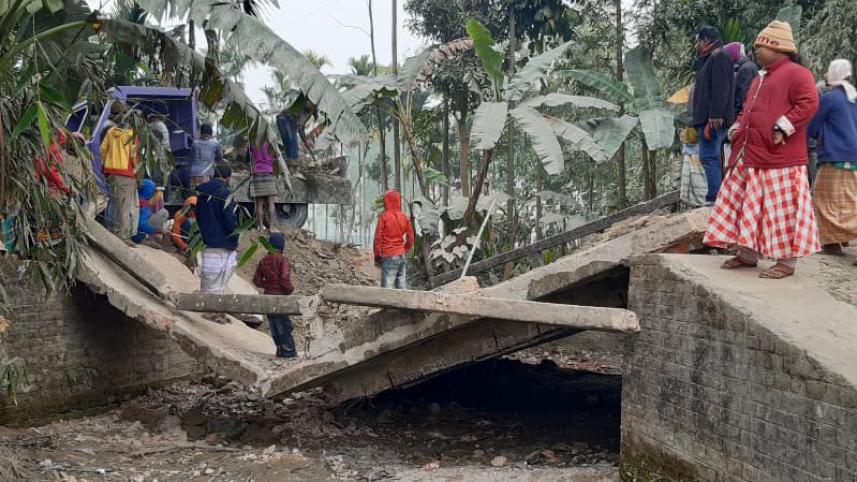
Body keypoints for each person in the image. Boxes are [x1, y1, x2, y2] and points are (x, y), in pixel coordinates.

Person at [704, 20, 820, 279]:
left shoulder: (798, 74)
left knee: (783, 210)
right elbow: (748, 108)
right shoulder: (760, 77)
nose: (756, 51)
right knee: (747, 205)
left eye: (760, 46)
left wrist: (783, 127)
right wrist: (737, 128)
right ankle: (747, 254)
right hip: (749, 154)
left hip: (780, 157)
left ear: (777, 47)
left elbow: (809, 102)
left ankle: (787, 263)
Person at [807, 59, 857, 255]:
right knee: (848, 201)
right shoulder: (854, 97)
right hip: (853, 158)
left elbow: (812, 127)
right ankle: (834, 242)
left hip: (833, 156)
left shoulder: (829, 98)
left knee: (823, 199)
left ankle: (832, 242)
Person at [690, 26, 735, 203]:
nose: (696, 45)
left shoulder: (719, 56)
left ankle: (715, 197)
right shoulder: (711, 58)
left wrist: (715, 114)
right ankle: (717, 195)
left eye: (698, 41)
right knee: (711, 156)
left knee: (709, 156)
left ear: (706, 40)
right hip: (707, 118)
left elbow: (720, 87)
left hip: (713, 120)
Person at [195, 164, 239, 322]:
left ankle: (217, 311)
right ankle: (212, 312)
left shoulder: (201, 195)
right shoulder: (225, 194)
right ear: (228, 178)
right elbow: (230, 220)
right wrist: (235, 233)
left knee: (211, 281)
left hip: (209, 242)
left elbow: (198, 216)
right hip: (225, 242)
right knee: (219, 281)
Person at [252, 232, 297, 359]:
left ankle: (280, 350)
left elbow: (256, 280)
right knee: (284, 325)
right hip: (280, 298)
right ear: (282, 246)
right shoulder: (282, 260)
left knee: (274, 325)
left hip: (268, 297)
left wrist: (267, 285)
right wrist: (289, 290)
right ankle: (289, 351)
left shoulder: (263, 260)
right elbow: (284, 278)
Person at [101, 123, 140, 244]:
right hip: (125, 173)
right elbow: (133, 156)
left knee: (113, 202)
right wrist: (138, 173)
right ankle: (122, 236)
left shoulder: (111, 132)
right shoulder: (132, 134)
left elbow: (102, 150)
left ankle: (112, 230)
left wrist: (106, 165)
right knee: (125, 205)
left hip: (110, 172)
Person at [373, 190, 415, 289]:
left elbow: (378, 238)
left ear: (386, 201)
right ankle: (402, 304)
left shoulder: (384, 217)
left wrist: (377, 255)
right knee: (401, 287)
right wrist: (405, 249)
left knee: (388, 289)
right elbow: (411, 237)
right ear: (398, 201)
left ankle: (388, 305)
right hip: (401, 255)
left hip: (389, 255)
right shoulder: (404, 217)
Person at [723, 42, 759, 117]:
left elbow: (744, 93)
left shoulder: (745, 68)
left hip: (741, 114)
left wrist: (736, 113)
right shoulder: (747, 66)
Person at [132, 179, 169, 246]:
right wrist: (157, 230)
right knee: (164, 212)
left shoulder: (134, 198)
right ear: (149, 191)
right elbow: (141, 224)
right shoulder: (144, 204)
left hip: (130, 232)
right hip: (136, 235)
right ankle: (145, 239)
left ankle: (146, 238)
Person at [250, 142, 278, 229]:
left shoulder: (254, 144)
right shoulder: (271, 144)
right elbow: (276, 159)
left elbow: (251, 157)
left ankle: (261, 228)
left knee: (259, 204)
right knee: (271, 202)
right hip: (269, 171)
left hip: (257, 173)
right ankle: (272, 226)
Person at [189, 123, 223, 192]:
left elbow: (191, 156)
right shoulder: (216, 143)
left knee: (194, 198)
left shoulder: (195, 142)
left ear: (201, 133)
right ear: (211, 133)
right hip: (206, 174)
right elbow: (220, 157)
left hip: (193, 173)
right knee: (204, 196)